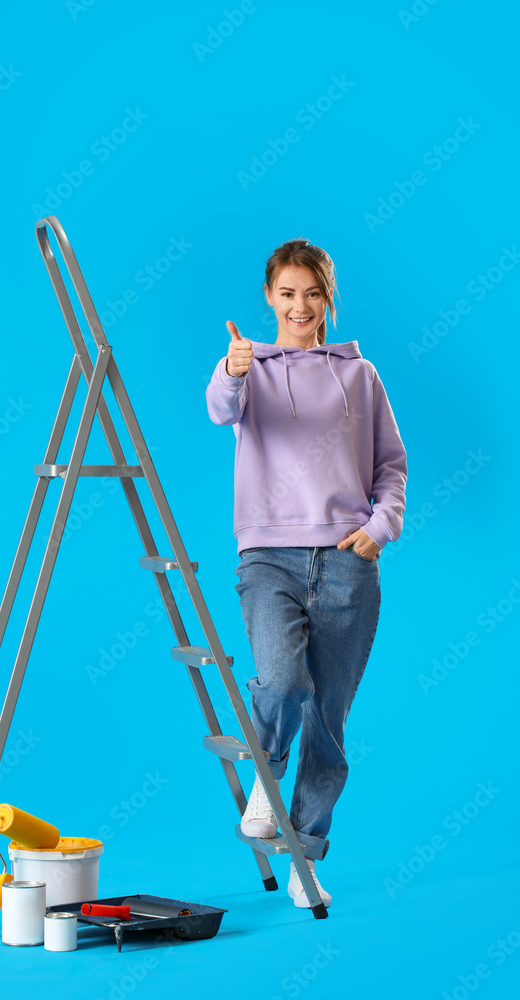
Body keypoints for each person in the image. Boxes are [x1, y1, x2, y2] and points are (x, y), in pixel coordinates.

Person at [205, 237, 408, 908]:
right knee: (282, 681)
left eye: (310, 293)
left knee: (327, 719)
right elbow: (218, 409)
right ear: (268, 297)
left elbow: (390, 466)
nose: (298, 306)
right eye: (285, 294)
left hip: (347, 561)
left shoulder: (360, 374)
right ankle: (265, 783)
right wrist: (234, 370)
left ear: (327, 298)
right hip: (268, 554)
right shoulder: (247, 367)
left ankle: (306, 855)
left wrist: (379, 530)